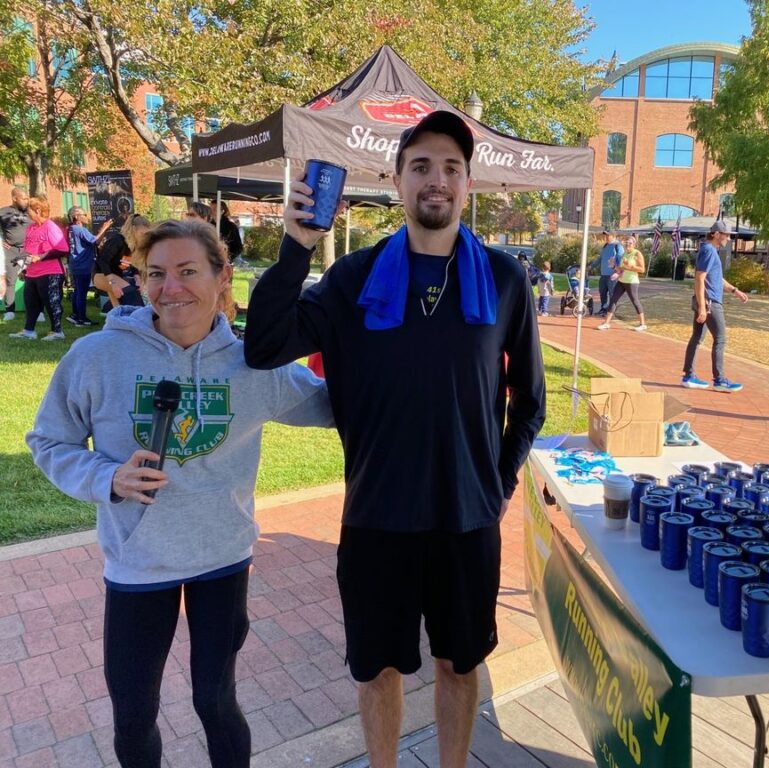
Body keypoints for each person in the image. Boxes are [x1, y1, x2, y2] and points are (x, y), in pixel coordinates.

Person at [243, 110, 545, 768]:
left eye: (451, 167)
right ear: (398, 181)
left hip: (467, 522)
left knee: (459, 666)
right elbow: (263, 345)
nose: (437, 179)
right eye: (421, 166)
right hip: (377, 518)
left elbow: (531, 401)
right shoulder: (353, 278)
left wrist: (499, 482)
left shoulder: (504, 279)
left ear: (467, 183)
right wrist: (296, 245)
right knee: (377, 670)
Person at [27, 218, 333, 768]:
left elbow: (340, 406)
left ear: (222, 278)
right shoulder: (97, 356)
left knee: (215, 701)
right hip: (138, 564)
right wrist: (107, 477)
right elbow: (49, 441)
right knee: (133, 713)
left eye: (188, 272)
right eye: (156, 274)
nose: (171, 288)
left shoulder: (254, 364)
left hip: (222, 559)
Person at [680, 220, 748, 392]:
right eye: (726, 235)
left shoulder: (710, 250)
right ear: (716, 234)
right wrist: (703, 307)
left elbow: (717, 278)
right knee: (720, 339)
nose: (728, 239)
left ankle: (689, 376)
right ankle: (720, 380)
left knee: (697, 337)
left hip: (706, 301)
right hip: (710, 302)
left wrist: (735, 291)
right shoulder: (709, 250)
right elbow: (699, 278)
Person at [9, 196, 69, 341]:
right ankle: (29, 331)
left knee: (51, 302)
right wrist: (24, 268)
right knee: (31, 302)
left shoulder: (50, 227)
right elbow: (29, 250)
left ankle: (57, 331)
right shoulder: (31, 228)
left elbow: (63, 249)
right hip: (32, 273)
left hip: (50, 272)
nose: (25, 214)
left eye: (27, 211)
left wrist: (40, 257)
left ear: (37, 210)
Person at [67, 206, 112, 326]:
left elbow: (93, 241)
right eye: (84, 215)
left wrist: (102, 231)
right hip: (83, 265)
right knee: (82, 292)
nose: (87, 217)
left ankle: (75, 315)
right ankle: (81, 319)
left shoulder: (71, 229)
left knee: (77, 290)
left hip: (75, 264)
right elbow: (95, 241)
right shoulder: (80, 229)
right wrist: (105, 228)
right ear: (76, 217)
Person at [95, 214, 148, 309]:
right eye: (143, 234)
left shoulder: (133, 245)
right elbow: (102, 261)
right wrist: (113, 283)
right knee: (131, 294)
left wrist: (137, 278)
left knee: (120, 306)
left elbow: (131, 264)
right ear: (134, 229)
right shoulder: (117, 240)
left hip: (115, 276)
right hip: (101, 274)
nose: (145, 238)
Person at [597, 234, 647, 331]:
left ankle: (642, 324)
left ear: (634, 244)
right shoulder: (624, 254)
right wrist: (613, 266)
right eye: (626, 243)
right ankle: (606, 323)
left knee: (635, 301)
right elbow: (621, 269)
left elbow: (642, 269)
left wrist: (630, 266)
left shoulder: (637, 254)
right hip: (621, 280)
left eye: (630, 243)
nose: (627, 244)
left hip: (631, 282)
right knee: (613, 300)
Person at [1, 186, 30, 321]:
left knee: (34, 280)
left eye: (27, 198)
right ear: (14, 198)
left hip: (29, 251)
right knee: (10, 281)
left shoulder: (31, 212)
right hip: (11, 251)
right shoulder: (3, 212)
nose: (26, 201)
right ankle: (9, 310)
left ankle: (38, 311)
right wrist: (1, 240)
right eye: (23, 198)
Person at [593, 230, 623, 314]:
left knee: (612, 294)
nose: (606, 237)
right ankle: (603, 309)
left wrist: (618, 272)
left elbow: (621, 259)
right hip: (603, 275)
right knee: (602, 293)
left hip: (612, 275)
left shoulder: (618, 246)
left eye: (608, 235)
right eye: (605, 235)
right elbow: (600, 258)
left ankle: (610, 311)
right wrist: (591, 266)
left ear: (613, 236)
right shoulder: (605, 246)